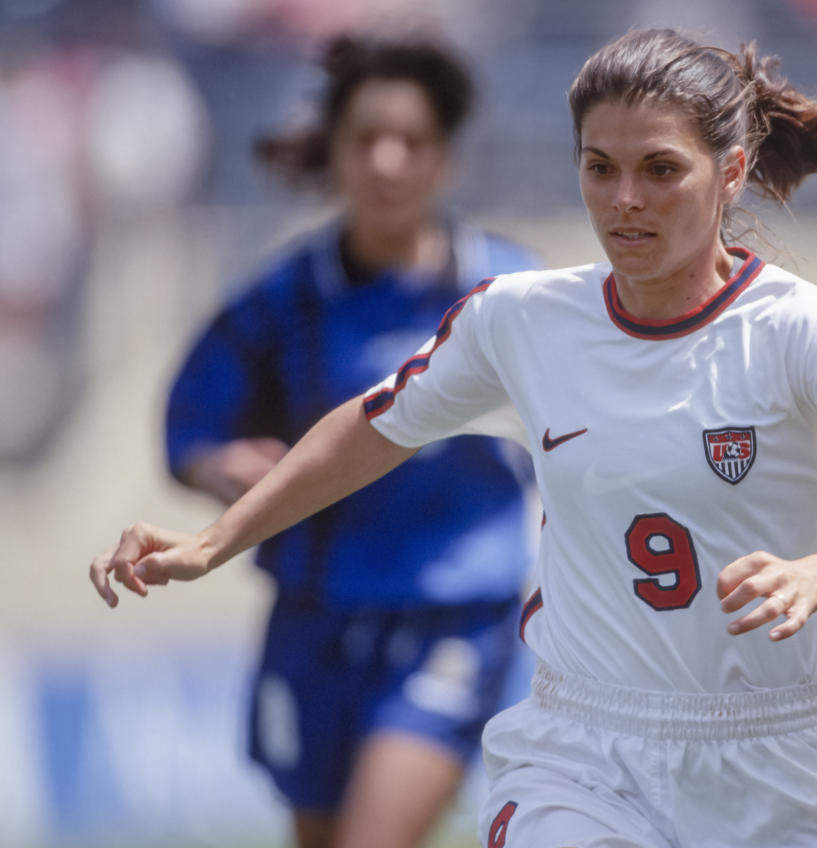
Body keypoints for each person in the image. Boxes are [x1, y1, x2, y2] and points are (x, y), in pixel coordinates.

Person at [92, 27, 817, 848]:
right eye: (599, 167)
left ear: (732, 172)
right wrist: (215, 542)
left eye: (660, 170)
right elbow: (375, 429)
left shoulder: (810, 336)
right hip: (587, 756)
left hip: (788, 764)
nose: (625, 198)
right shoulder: (518, 321)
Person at [158, 34, 540, 848]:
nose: (388, 161)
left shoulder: (513, 297)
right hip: (316, 623)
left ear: (448, 160)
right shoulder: (279, 301)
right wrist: (213, 463)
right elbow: (188, 421)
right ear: (333, 151)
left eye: (412, 141)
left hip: (457, 623)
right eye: (366, 139)